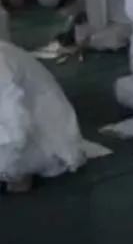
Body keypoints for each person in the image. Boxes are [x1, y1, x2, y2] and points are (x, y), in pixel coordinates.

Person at [0, 39, 87, 193]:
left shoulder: (2, 64)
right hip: (20, 129)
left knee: (10, 161)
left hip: (42, 141)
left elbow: (17, 129)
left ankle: (19, 172)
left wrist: (10, 168)